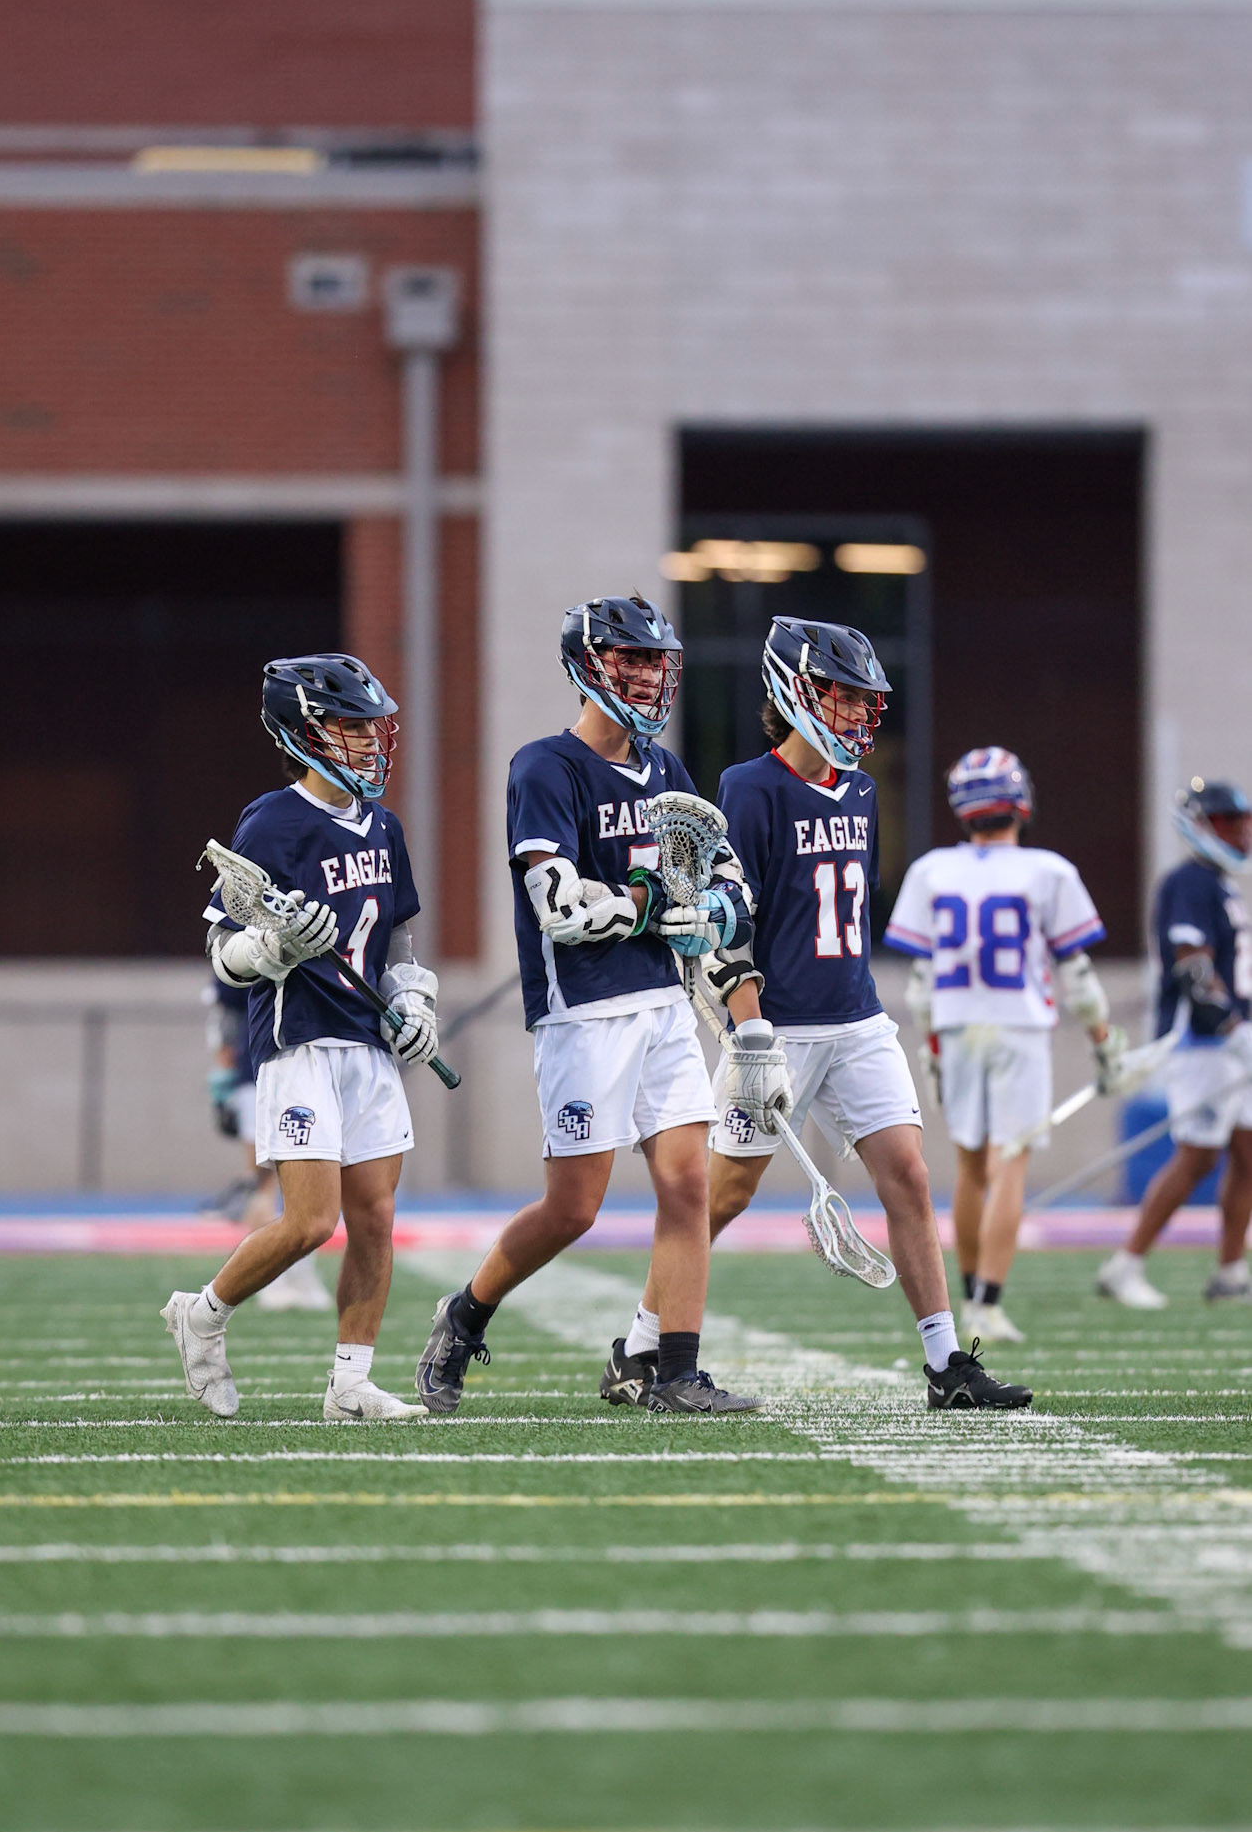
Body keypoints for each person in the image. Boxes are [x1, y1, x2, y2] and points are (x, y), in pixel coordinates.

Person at [414, 593, 760, 1417]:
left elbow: (728, 881)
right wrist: (650, 906)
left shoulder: (667, 770)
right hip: (582, 1011)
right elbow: (557, 904)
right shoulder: (544, 766)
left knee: (685, 1187)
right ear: (586, 663)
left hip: (663, 1006)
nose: (642, 675)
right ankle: (464, 1315)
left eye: (651, 661)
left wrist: (708, 912)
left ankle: (670, 1369)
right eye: (626, 658)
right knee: (574, 1207)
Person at [701, 618, 1033, 1411]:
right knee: (718, 1199)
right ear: (794, 691)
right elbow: (730, 922)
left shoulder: (859, 787)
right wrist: (750, 1032)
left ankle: (946, 1363)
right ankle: (645, 1339)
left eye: (862, 700)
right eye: (841, 696)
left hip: (855, 1018)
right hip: (774, 1027)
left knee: (909, 1177)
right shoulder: (747, 788)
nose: (855, 713)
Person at [160, 652, 439, 1422]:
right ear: (303, 733)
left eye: (367, 726)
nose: (365, 741)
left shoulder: (383, 824)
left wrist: (412, 1002)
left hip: (368, 1046)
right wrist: (275, 948)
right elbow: (224, 948)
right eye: (347, 727)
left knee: (376, 1219)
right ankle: (204, 1313)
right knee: (311, 1222)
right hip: (299, 1042)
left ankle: (350, 1384)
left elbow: (398, 941)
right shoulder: (272, 821)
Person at [885, 747, 1123, 1345]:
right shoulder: (1049, 872)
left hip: (958, 1025)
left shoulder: (932, 870)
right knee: (1009, 1162)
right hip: (1019, 1026)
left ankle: (969, 1295)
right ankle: (988, 1304)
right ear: (1020, 800)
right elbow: (1079, 978)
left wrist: (932, 1047)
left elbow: (919, 984)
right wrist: (1103, 1042)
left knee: (970, 1164)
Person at [1096, 777, 1252, 1309]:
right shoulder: (1190, 882)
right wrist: (1231, 1027)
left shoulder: (1221, 884)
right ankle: (1126, 1262)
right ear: (1203, 825)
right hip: (1207, 1040)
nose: (1242, 831)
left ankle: (1231, 1271)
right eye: (1230, 822)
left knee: (1248, 1152)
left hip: (1236, 1036)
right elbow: (1194, 966)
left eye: (1243, 821)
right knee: (1198, 1156)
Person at [202, 977, 334, 1313]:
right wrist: (222, 1072)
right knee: (264, 1180)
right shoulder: (245, 938)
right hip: (257, 1071)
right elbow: (223, 1012)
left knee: (311, 1183)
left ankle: (302, 1273)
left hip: (310, 1069)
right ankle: (269, 1279)